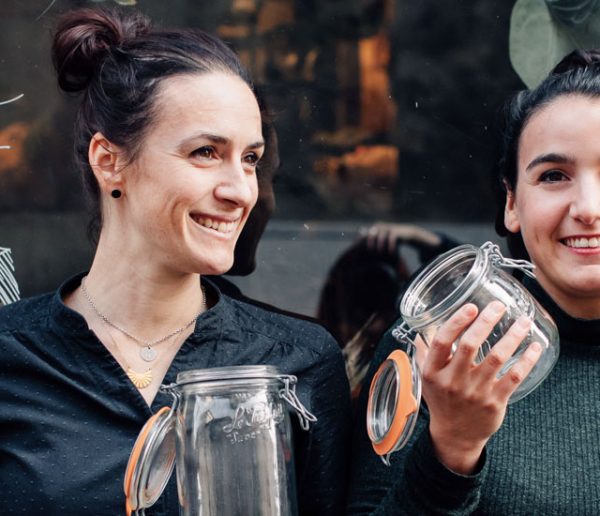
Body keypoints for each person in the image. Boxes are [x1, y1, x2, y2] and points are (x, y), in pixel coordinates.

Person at [0, 7, 351, 515]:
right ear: (109, 161)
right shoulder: (12, 357)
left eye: (250, 159)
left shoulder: (298, 362)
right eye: (206, 152)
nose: (240, 191)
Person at [347, 48, 600, 514]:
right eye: (554, 175)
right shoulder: (440, 350)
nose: (587, 208)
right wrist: (453, 445)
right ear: (511, 204)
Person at [316, 223, 459, 401]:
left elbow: (471, 279)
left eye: (383, 297)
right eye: (363, 301)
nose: (374, 319)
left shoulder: (416, 356)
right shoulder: (324, 362)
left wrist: (417, 235)